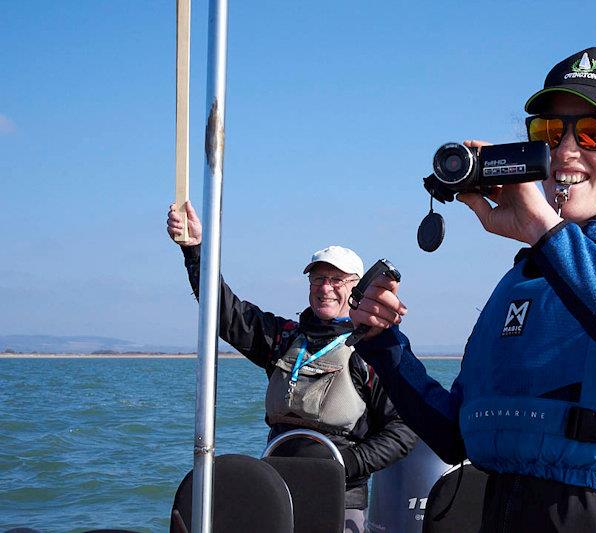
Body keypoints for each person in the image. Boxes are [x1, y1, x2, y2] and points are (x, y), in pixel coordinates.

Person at [349, 47, 596, 532]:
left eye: (595, 133)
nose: (566, 151)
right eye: (551, 132)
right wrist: (385, 346)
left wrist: (546, 235)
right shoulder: (527, 275)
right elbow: (456, 435)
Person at [166, 202, 417, 532]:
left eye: (336, 279)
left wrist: (348, 465)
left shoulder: (373, 349)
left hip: (340, 497)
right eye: (317, 278)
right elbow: (224, 312)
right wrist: (194, 250)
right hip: (275, 489)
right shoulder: (283, 338)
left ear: (357, 287)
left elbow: (404, 428)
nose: (325, 287)